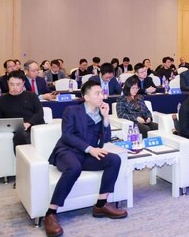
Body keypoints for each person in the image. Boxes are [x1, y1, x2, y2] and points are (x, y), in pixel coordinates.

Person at [43, 80, 128, 237]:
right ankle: (50, 213)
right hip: (67, 151)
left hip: (87, 155)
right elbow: (67, 135)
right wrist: (90, 149)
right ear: (86, 97)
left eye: (102, 93)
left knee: (114, 160)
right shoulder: (72, 111)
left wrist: (106, 118)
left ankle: (101, 205)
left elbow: (105, 140)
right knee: (74, 167)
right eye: (97, 93)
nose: (102, 96)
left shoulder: (101, 112)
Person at [0, 70, 46, 148]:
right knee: (20, 135)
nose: (15, 87)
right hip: (16, 130)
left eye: (18, 84)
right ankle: (24, 155)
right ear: (7, 83)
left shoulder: (31, 96)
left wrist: (28, 123)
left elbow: (40, 112)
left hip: (33, 127)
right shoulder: (1, 100)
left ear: (23, 83)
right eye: (12, 84)